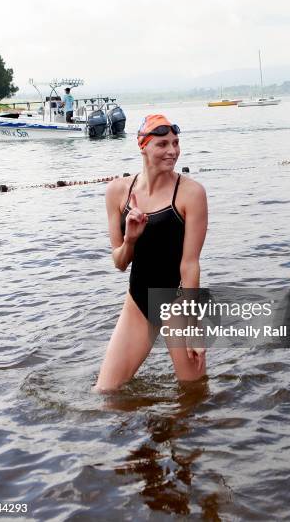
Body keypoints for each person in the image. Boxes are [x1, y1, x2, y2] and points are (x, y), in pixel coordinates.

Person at [93, 114, 208, 392]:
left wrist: (192, 328)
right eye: (162, 144)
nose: (172, 151)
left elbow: (190, 266)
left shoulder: (190, 193)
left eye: (176, 143)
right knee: (106, 393)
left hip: (177, 304)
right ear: (142, 145)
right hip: (138, 300)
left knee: (194, 396)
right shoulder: (117, 192)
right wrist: (131, 239)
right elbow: (120, 263)